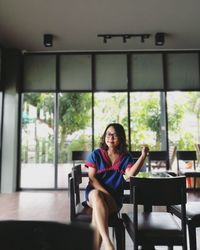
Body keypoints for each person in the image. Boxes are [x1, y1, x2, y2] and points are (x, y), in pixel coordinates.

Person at [84, 123, 149, 250]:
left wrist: (143, 156)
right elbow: (92, 180)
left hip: (114, 200)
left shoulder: (126, 157)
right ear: (104, 136)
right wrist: (107, 195)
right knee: (97, 195)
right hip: (94, 195)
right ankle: (108, 244)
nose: (111, 137)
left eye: (115, 135)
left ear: (121, 138)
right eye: (108, 134)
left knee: (97, 217)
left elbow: (130, 175)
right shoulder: (96, 154)